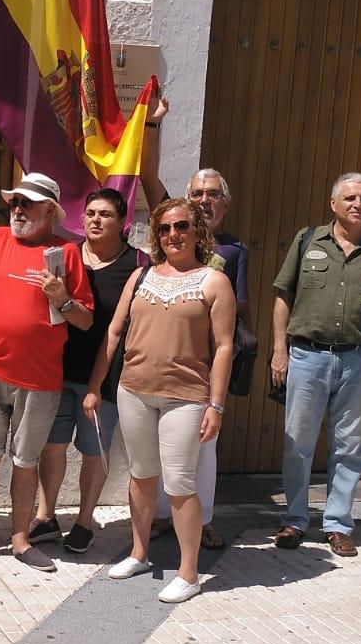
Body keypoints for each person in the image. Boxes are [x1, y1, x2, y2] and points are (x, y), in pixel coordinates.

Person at [86, 199, 236, 603]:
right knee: (141, 475)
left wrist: (216, 405)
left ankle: (189, 573)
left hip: (185, 397)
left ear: (196, 232)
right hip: (133, 390)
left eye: (182, 226)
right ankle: (139, 552)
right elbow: (114, 333)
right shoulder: (141, 276)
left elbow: (224, 348)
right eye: (166, 228)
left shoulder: (214, 281)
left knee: (181, 483)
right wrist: (94, 387)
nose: (174, 235)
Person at [0, 173, 94, 571]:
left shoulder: (67, 253)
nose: (17, 209)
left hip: (40, 378)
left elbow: (84, 321)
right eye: (14, 202)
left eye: (26, 203)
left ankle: (19, 538)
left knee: (25, 461)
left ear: (49, 209)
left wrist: (63, 300)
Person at [269, 173, 361, 557]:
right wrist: (279, 349)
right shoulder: (308, 240)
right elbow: (283, 295)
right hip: (307, 356)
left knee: (349, 445)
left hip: (357, 358)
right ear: (334, 204)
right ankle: (295, 520)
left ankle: (338, 524)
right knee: (298, 443)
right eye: (350, 198)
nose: (358, 204)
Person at [28, 188, 148, 553]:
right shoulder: (63, 255)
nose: (95, 220)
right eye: (91, 213)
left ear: (122, 222)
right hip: (57, 369)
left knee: (94, 450)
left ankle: (83, 521)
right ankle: (46, 516)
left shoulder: (136, 266)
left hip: (106, 377)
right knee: (53, 445)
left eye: (105, 214)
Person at [155, 168, 250, 551]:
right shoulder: (168, 240)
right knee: (162, 443)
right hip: (166, 359)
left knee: (204, 446)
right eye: (196, 193)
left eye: (212, 194)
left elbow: (240, 305)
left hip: (207, 362)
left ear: (224, 204)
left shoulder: (233, 250)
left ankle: (205, 520)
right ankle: (163, 515)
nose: (204, 200)